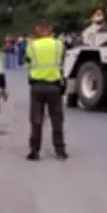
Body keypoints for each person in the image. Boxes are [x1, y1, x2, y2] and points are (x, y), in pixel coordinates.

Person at [24, 20, 68, 161]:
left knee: (36, 120)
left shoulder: (32, 45)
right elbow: (62, 60)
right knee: (57, 119)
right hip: (54, 86)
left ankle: (34, 151)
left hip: (37, 87)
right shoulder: (58, 44)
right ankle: (60, 151)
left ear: (38, 30)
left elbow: (27, 62)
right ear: (50, 30)